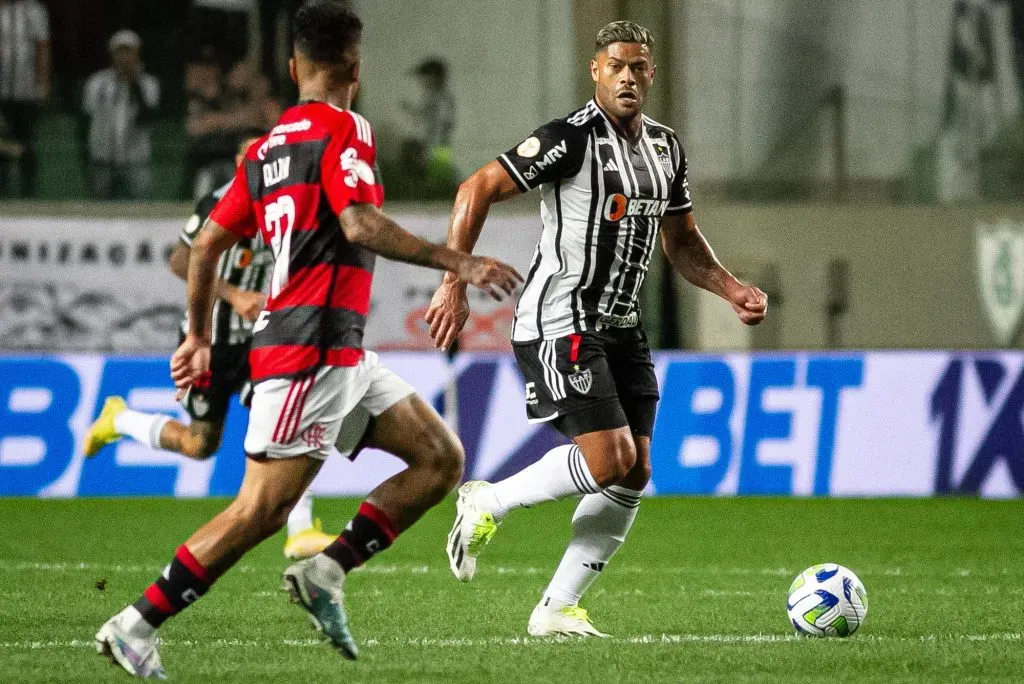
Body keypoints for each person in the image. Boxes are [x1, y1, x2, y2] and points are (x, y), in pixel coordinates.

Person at [94, 3, 521, 679]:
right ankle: (134, 624)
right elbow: (358, 223)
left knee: (439, 459)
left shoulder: (266, 149)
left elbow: (205, 246)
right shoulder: (344, 128)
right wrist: (457, 262)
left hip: (337, 351)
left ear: (294, 67)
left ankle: (324, 572)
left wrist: (201, 334)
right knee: (260, 510)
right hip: (306, 352)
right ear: (355, 67)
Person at [427, 20, 768, 637]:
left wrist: (730, 287)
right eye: (617, 66)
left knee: (636, 470)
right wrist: (453, 279)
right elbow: (475, 187)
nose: (629, 77)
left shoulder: (666, 149)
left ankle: (556, 609)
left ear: (652, 74)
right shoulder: (571, 139)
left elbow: (683, 241)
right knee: (610, 460)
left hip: (621, 326)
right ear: (597, 71)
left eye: (639, 67)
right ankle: (487, 500)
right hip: (560, 317)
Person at [83, 129, 335, 560]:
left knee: (282, 423)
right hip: (212, 341)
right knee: (201, 445)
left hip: (265, 339)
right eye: (247, 160)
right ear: (239, 164)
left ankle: (301, 529)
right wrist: (235, 296)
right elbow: (182, 261)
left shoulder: (292, 203)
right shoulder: (218, 203)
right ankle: (119, 419)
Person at [81, 30, 160, 200]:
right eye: (120, 51)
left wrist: (134, 83)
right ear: (112, 54)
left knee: (140, 208)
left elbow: (147, 117)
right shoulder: (97, 83)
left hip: (136, 160)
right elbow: (87, 117)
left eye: (129, 51)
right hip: (102, 160)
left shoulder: (148, 84)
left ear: (137, 54)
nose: (124, 57)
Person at [0, 0, 50, 197]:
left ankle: (28, 192)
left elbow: (42, 47)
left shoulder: (34, 10)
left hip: (25, 90)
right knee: (2, 144)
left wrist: (43, 84)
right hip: (1, 92)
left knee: (26, 142)